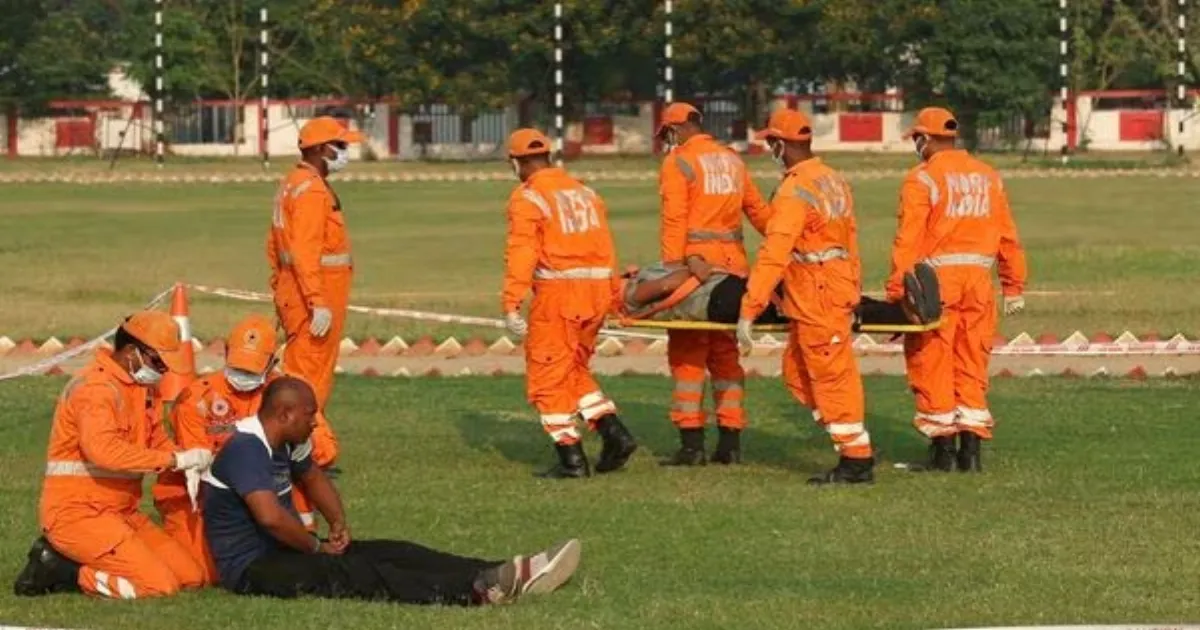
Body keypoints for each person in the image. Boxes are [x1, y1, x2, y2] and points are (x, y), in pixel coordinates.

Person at [203, 376, 582, 605]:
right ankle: (479, 590)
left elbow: (313, 477)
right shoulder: (245, 447)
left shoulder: (285, 440)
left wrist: (338, 525)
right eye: (309, 415)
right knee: (359, 573)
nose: (315, 422)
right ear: (285, 415)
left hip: (285, 550)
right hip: (252, 569)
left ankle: (497, 570)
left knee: (394, 550)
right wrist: (317, 547)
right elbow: (270, 518)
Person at [13, 311, 215, 599]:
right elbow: (104, 452)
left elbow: (155, 439)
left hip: (121, 513)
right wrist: (175, 461)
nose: (164, 371)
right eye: (158, 361)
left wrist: (188, 460)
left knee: (191, 577)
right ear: (132, 352)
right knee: (159, 586)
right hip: (77, 514)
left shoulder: (143, 389)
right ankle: (63, 570)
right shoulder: (95, 389)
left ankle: (82, 563)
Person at [888, 107, 1027, 473]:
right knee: (972, 364)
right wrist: (1012, 285)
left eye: (916, 138)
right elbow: (1008, 235)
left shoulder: (922, 179)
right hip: (980, 285)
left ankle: (944, 454)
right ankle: (972, 454)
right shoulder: (988, 176)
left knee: (932, 363)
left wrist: (896, 292)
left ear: (925, 139)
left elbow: (908, 240)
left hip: (938, 286)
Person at [738, 108, 873, 485]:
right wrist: (855, 291)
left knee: (831, 379)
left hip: (819, 297)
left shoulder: (795, 189)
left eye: (770, 143)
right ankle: (847, 442)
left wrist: (749, 310)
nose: (770, 150)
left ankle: (856, 459)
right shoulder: (832, 180)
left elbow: (775, 252)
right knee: (799, 373)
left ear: (780, 144)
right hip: (826, 292)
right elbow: (851, 241)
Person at [501, 128, 637, 479]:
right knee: (574, 369)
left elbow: (522, 252)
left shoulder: (528, 197)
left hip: (559, 295)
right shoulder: (585, 192)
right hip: (596, 293)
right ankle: (613, 431)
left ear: (516, 162)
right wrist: (612, 294)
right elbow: (606, 245)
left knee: (547, 376)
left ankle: (571, 458)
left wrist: (512, 302)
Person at [656, 101, 772, 466]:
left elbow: (674, 221)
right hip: (735, 268)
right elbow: (759, 213)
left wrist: (671, 272)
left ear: (675, 130)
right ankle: (730, 442)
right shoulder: (733, 161)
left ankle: (692, 445)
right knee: (726, 357)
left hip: (696, 271)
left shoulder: (679, 162)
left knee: (688, 355)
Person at [266, 115, 360, 522]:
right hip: (313, 298)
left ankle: (312, 450)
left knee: (308, 375)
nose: (346, 153)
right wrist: (317, 301)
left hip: (299, 294)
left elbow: (276, 250)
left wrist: (282, 292)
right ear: (324, 149)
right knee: (308, 379)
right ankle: (311, 453)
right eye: (341, 146)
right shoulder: (310, 191)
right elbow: (304, 253)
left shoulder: (294, 183)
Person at [152, 313, 280, 585]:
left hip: (262, 489)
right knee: (202, 575)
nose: (243, 376)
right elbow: (199, 462)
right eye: (239, 366)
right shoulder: (197, 398)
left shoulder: (285, 394)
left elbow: (323, 448)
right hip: (197, 496)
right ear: (224, 352)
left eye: (251, 370)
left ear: (272, 363)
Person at [615, 258, 941, 330]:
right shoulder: (629, 295)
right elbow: (669, 286)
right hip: (714, 301)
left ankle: (903, 309)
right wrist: (693, 266)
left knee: (814, 293)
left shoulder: (636, 277)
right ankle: (904, 312)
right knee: (807, 298)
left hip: (720, 292)